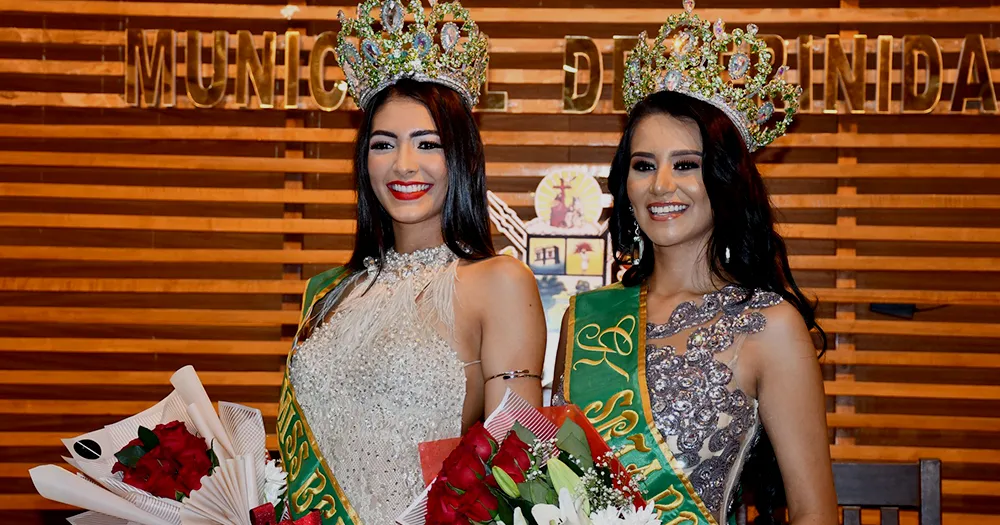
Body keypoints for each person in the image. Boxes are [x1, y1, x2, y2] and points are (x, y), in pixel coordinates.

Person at [551, 2, 838, 524]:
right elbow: (553, 490)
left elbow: (815, 513)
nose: (662, 185)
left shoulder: (770, 326)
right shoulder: (586, 318)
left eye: (686, 164)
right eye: (644, 166)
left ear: (726, 181)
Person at [277, 1, 545, 522]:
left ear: (461, 157)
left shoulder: (498, 283)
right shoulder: (328, 291)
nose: (403, 165)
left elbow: (522, 469)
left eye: (427, 144)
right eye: (383, 144)